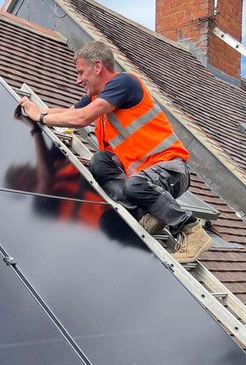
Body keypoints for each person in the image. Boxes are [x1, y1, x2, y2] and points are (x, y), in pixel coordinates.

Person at [19, 40, 212, 263]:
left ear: (98, 67)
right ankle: (145, 217)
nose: (78, 80)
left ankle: (191, 231)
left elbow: (81, 119)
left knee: (135, 184)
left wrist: (40, 117)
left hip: (171, 170)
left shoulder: (125, 83)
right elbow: (66, 113)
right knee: (100, 161)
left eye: (81, 73)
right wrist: (34, 110)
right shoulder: (96, 99)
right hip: (143, 180)